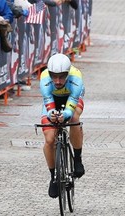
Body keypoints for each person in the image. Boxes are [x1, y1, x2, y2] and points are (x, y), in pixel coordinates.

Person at [39, 53, 85, 198]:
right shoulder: (45, 78)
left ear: (68, 73)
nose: (57, 81)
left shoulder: (76, 77)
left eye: (61, 76)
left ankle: (77, 158)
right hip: (53, 99)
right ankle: (53, 177)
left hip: (72, 98)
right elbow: (48, 103)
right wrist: (52, 114)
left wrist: (64, 115)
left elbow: (71, 107)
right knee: (49, 139)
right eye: (54, 76)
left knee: (74, 118)